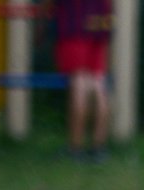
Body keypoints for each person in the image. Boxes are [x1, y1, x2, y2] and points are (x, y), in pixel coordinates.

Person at [53, 0, 113, 162]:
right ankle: (98, 148)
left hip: (75, 27)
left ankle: (75, 147)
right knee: (98, 84)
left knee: (79, 83)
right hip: (99, 27)